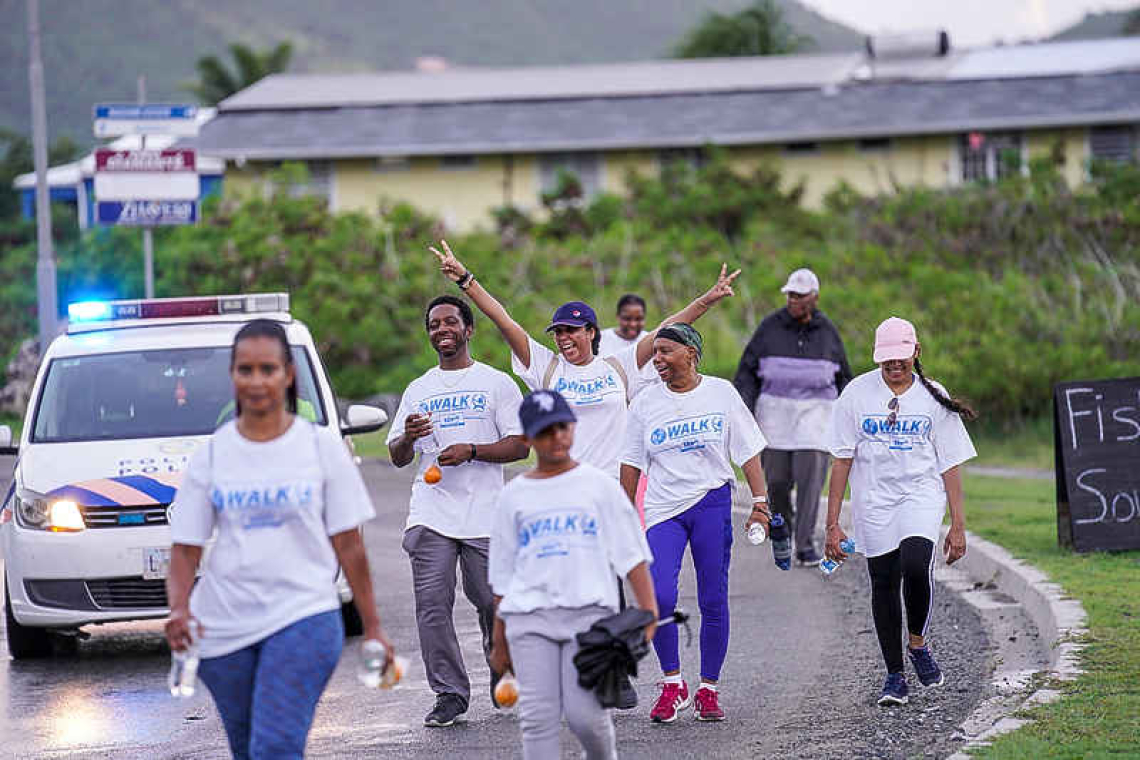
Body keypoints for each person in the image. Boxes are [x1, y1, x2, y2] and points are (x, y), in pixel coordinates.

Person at [165, 319, 393, 760]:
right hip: (224, 631)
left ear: (288, 374)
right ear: (232, 375)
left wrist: (374, 628)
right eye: (245, 370)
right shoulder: (212, 455)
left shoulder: (320, 448)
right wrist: (179, 608)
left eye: (267, 369)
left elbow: (350, 545)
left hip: (303, 616)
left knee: (275, 747)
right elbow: (185, 550)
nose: (256, 381)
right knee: (250, 750)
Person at [429, 239, 740, 478]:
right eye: (558, 332)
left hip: (614, 486)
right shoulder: (546, 368)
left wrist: (707, 300)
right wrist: (466, 280)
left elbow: (667, 326)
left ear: (591, 332)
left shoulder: (619, 366)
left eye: (572, 331)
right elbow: (504, 320)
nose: (564, 338)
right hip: (564, 484)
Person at [488, 389, 658, 760]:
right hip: (529, 620)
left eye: (563, 427)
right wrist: (499, 643)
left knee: (586, 718)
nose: (557, 437)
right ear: (529, 438)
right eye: (546, 431)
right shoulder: (513, 496)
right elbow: (502, 578)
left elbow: (631, 556)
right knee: (537, 720)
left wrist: (650, 613)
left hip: (588, 618)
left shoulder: (599, 487)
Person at [386, 295, 529, 728]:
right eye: (433, 324)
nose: (441, 330)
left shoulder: (497, 383)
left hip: (485, 514)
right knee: (432, 606)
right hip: (431, 512)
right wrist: (408, 438)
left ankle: (502, 671)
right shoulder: (419, 388)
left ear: (468, 330)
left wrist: (473, 451)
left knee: (491, 601)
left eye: (450, 322)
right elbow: (396, 455)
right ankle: (449, 694)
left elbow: (521, 445)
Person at [620, 323, 770, 723]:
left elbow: (749, 451)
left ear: (691, 353)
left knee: (712, 598)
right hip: (662, 509)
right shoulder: (645, 403)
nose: (658, 360)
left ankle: (708, 689)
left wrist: (760, 502)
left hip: (711, 503)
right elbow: (631, 464)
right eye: (655, 353)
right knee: (660, 598)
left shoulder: (721, 393)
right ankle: (673, 684)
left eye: (666, 351)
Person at [824, 316, 977, 707]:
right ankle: (894, 675)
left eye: (901, 358)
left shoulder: (933, 395)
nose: (894, 365)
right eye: (886, 359)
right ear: (877, 358)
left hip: (920, 494)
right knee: (884, 582)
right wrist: (832, 526)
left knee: (914, 562)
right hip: (874, 499)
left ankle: (918, 644)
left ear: (916, 353)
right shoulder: (857, 394)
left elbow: (950, 463)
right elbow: (841, 460)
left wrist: (958, 525)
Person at [732, 267, 852, 567]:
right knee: (777, 482)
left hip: (816, 420)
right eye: (790, 295)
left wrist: (851, 416)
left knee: (811, 483)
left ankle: (805, 544)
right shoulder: (769, 327)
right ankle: (783, 530)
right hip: (774, 419)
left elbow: (843, 379)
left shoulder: (828, 331)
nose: (793, 301)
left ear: (814, 297)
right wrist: (744, 406)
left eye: (800, 296)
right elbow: (747, 371)